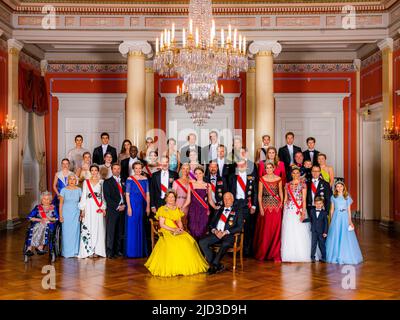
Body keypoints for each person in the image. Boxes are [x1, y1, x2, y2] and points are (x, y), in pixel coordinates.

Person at [145, 190, 208, 277]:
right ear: (166, 199)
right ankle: (174, 267)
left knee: (187, 240)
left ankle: (184, 266)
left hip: (176, 230)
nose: (171, 199)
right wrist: (173, 230)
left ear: (175, 199)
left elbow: (179, 222)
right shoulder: (162, 209)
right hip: (166, 230)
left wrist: (180, 229)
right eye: (169, 197)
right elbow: (162, 225)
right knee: (173, 243)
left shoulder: (177, 209)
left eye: (173, 197)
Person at [199, 192, 244, 274]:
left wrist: (226, 232)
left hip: (229, 235)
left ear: (233, 199)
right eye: (225, 199)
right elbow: (211, 224)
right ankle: (218, 265)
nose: (226, 201)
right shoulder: (218, 210)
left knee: (225, 243)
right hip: (217, 234)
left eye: (229, 199)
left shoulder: (238, 211)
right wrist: (215, 231)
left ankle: (214, 265)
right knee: (202, 242)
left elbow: (239, 227)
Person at [326, 181, 363, 265]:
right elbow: (332, 210)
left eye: (340, 186)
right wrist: (331, 221)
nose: (339, 188)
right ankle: (335, 255)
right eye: (337, 186)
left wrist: (350, 221)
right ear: (335, 188)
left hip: (344, 217)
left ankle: (345, 255)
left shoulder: (347, 197)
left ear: (343, 187)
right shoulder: (333, 197)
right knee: (336, 234)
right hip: (336, 216)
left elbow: (349, 210)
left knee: (345, 234)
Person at [253, 162, 283, 262]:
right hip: (265, 206)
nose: (269, 169)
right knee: (266, 230)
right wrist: (261, 207)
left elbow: (280, 192)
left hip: (276, 207)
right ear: (265, 169)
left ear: (274, 168)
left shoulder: (278, 178)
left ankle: (274, 253)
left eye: (270, 167)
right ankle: (264, 252)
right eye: (267, 168)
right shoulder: (262, 179)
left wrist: (281, 203)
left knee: (276, 230)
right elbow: (259, 195)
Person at [281, 167, 311, 262]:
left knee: (300, 231)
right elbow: (285, 199)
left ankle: (301, 254)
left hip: (299, 209)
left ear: (299, 174)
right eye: (294, 173)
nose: (295, 174)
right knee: (289, 231)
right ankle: (289, 254)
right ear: (291, 174)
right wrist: (283, 209)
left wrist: (303, 212)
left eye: (297, 173)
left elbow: (304, 199)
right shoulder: (287, 185)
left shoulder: (303, 185)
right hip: (289, 210)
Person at [229, 158, 258, 256]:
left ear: (246, 165)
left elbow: (255, 192)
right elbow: (229, 192)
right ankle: (235, 250)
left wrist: (254, 206)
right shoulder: (232, 177)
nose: (241, 167)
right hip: (235, 204)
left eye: (243, 165)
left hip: (247, 205)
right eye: (239, 165)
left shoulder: (251, 177)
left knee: (248, 228)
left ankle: (247, 250)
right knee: (234, 226)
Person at [182, 166, 219, 241]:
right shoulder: (191, 185)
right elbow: (188, 200)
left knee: (202, 230)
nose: (198, 175)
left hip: (203, 211)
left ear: (203, 174)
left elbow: (210, 200)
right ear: (194, 175)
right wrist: (182, 208)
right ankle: (194, 250)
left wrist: (215, 207)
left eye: (200, 173)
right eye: (196, 174)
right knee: (192, 229)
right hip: (193, 210)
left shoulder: (208, 185)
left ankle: (201, 250)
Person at [78, 164, 107, 258]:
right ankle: (88, 250)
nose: (94, 172)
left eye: (95, 170)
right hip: (89, 205)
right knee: (89, 226)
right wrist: (82, 209)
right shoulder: (86, 182)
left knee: (98, 227)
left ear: (98, 171)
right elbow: (83, 195)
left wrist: (103, 208)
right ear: (90, 171)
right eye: (92, 170)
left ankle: (97, 250)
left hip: (98, 206)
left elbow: (103, 196)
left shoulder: (102, 182)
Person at [125, 161, 150, 258]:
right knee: (132, 227)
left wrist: (148, 206)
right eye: (136, 168)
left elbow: (147, 194)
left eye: (140, 168)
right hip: (132, 205)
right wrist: (129, 207)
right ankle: (132, 252)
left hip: (142, 205)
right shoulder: (129, 179)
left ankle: (140, 251)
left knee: (141, 226)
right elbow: (127, 195)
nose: (138, 170)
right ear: (133, 169)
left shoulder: (145, 179)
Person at [25, 191, 59, 256]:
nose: (46, 201)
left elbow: (57, 218)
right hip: (38, 224)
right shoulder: (37, 207)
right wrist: (40, 219)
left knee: (44, 227)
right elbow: (30, 217)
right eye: (44, 199)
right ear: (41, 200)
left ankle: (40, 247)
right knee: (34, 228)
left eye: (47, 199)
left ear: (50, 200)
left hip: (49, 224)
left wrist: (49, 219)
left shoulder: (53, 208)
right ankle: (29, 248)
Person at [103, 163, 126, 259]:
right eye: (115, 169)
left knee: (119, 231)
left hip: (123, 209)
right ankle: (110, 252)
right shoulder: (107, 182)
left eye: (118, 169)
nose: (117, 170)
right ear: (111, 170)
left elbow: (126, 195)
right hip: (113, 210)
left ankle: (117, 251)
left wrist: (124, 205)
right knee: (111, 231)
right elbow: (107, 198)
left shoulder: (124, 181)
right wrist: (117, 206)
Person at [59, 174, 82, 258]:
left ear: (76, 181)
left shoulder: (79, 190)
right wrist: (61, 215)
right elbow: (61, 204)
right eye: (70, 179)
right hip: (66, 213)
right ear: (67, 181)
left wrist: (81, 213)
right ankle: (67, 252)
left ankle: (75, 251)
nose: (72, 181)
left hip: (76, 212)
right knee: (66, 233)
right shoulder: (63, 190)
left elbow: (81, 203)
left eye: (73, 179)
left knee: (76, 232)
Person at [302, 197, 328, 263]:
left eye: (320, 203)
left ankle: (324, 257)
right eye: (317, 204)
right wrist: (303, 220)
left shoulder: (324, 213)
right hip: (314, 231)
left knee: (321, 244)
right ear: (314, 204)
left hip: (321, 232)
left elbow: (326, 223)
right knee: (313, 244)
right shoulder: (312, 211)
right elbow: (311, 219)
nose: (318, 205)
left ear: (322, 204)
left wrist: (325, 232)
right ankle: (312, 257)